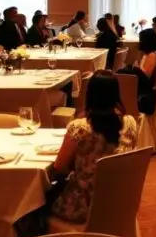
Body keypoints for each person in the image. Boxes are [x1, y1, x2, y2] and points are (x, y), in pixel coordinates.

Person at [48, 71, 138, 224]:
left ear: (89, 95)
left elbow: (59, 166)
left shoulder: (79, 128)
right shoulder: (130, 123)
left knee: (37, 203)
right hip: (118, 201)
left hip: (83, 205)